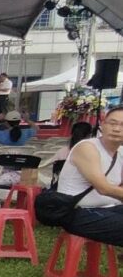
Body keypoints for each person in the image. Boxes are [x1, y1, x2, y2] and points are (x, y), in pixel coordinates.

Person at [55, 105, 123, 246]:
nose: (117, 129)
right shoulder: (87, 147)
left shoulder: (121, 152)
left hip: (109, 208)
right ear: (102, 125)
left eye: (122, 125)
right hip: (78, 212)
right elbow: (103, 188)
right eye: (112, 123)